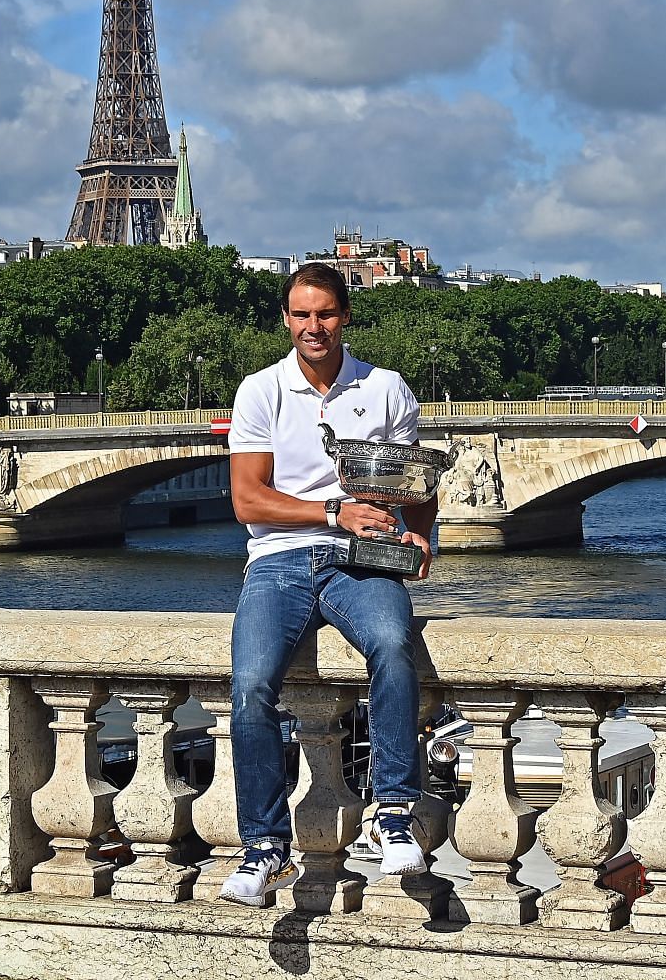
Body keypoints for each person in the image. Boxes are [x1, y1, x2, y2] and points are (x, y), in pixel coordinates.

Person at [219, 263, 436, 907]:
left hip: (362, 558)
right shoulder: (261, 390)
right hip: (281, 558)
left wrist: (423, 535)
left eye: (326, 314)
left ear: (345, 317)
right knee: (252, 686)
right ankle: (263, 846)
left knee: (393, 647)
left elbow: (414, 484)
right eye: (302, 315)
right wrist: (331, 512)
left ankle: (392, 810)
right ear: (286, 320)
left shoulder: (386, 388)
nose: (313, 327)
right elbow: (248, 501)